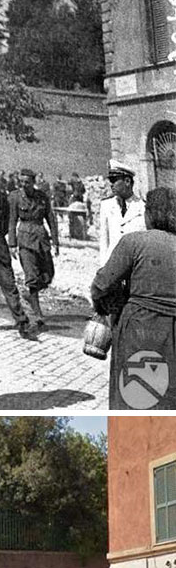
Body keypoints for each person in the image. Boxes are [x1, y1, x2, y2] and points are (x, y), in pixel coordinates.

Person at [91, 187, 176, 409]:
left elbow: (101, 285)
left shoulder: (133, 242)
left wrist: (103, 306)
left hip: (140, 331)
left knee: (136, 396)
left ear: (150, 214)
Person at [0, 165, 33, 339]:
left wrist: (4, 240)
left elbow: (8, 221)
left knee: (9, 284)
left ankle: (21, 321)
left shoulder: (3, 198)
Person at [8, 168, 59, 328]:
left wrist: (56, 241)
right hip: (24, 240)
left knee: (48, 274)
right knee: (32, 277)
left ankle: (31, 297)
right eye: (21, 182)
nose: (24, 185)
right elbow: (12, 221)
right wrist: (12, 244)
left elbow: (51, 218)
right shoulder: (15, 197)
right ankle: (37, 313)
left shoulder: (42, 197)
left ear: (34, 182)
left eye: (27, 182)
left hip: (41, 239)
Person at [98, 160, 146, 263]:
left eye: (114, 180)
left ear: (127, 181)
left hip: (135, 268)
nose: (111, 185)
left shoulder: (143, 207)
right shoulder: (106, 206)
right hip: (113, 268)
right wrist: (103, 269)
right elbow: (104, 242)